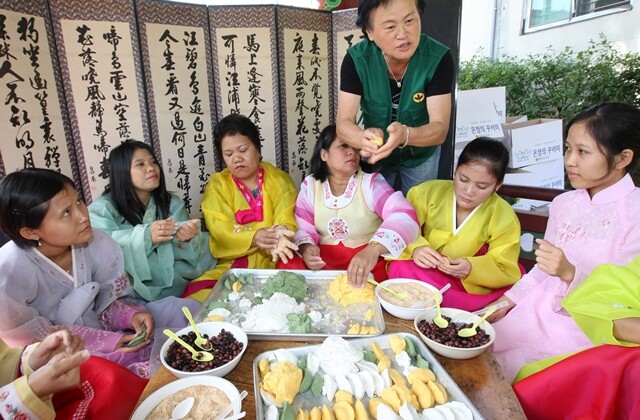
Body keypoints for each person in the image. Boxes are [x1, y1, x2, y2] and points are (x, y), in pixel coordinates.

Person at [488, 102, 640, 383]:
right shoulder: (564, 203)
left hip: (585, 328)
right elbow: (543, 268)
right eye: (568, 148)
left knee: (526, 376)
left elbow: (622, 300)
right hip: (535, 310)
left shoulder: (636, 215)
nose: (569, 160)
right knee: (483, 348)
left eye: (583, 152)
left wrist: (570, 273)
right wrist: (506, 301)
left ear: (622, 158)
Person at [0, 168, 192, 378]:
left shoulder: (96, 242)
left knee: (179, 312)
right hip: (67, 354)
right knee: (115, 373)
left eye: (79, 201)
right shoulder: (8, 273)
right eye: (66, 212)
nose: (83, 216)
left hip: (110, 329)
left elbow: (109, 296)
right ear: (30, 231)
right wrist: (107, 342)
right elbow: (34, 343)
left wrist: (130, 315)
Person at [388, 138, 522, 311]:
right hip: (424, 270)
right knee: (400, 267)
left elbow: (505, 267)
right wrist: (416, 248)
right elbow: (401, 227)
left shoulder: (504, 216)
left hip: (465, 284)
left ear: (497, 186)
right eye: (463, 179)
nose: (468, 191)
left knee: (516, 288)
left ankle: (440, 306)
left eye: (482, 186)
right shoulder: (426, 193)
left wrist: (471, 268)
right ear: (455, 170)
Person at [336, 0, 454, 195]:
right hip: (377, 154)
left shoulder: (438, 58)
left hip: (422, 154)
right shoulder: (356, 60)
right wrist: (362, 139)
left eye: (409, 20)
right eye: (390, 27)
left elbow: (440, 129)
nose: (403, 34)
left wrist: (405, 135)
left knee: (417, 214)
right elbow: (344, 124)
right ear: (370, 32)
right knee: (374, 212)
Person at [279, 124, 419, 287]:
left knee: (401, 268)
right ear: (324, 154)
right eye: (343, 146)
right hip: (323, 264)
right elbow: (302, 225)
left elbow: (403, 215)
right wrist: (306, 248)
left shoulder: (371, 183)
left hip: (366, 264)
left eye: (356, 148)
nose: (352, 152)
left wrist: (373, 250)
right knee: (287, 266)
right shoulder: (310, 185)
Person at [182, 114, 298, 302]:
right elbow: (220, 229)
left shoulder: (279, 179)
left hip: (274, 260)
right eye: (228, 154)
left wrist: (279, 234)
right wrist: (254, 236)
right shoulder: (218, 185)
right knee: (195, 295)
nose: (237, 159)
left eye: (243, 150)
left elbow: (287, 216)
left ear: (258, 149)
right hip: (233, 265)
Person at [88, 140, 216, 301]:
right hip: (129, 296)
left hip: (179, 284)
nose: (151, 168)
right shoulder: (102, 210)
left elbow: (191, 255)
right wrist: (145, 236)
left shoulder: (171, 203)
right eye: (140, 164)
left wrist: (186, 238)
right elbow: (103, 250)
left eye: (153, 162)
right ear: (122, 171)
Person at [513, 257, 640, 419]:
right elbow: (605, 291)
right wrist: (506, 301)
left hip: (598, 340)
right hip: (562, 302)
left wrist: (571, 274)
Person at [0, 330, 148, 420]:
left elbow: (5, 360)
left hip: (21, 386)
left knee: (103, 374)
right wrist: (26, 394)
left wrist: (32, 363)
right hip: (17, 404)